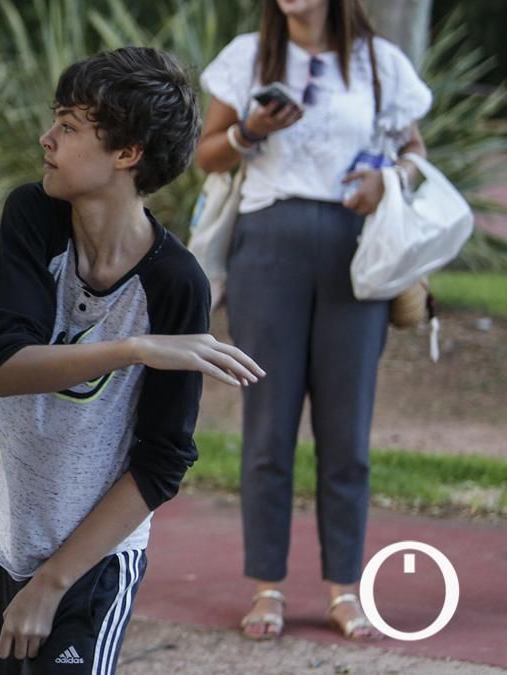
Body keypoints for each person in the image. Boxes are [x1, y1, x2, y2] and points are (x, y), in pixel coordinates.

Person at [0, 47, 265, 675]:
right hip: (12, 539)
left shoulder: (176, 284)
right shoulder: (33, 217)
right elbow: (5, 366)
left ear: (127, 153)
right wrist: (135, 348)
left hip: (95, 560)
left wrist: (54, 582)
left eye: (68, 127)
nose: (46, 138)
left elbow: (163, 462)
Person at [196, 0, 432, 642]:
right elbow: (207, 155)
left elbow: (415, 152)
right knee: (268, 427)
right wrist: (249, 130)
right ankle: (267, 587)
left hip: (356, 253)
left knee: (347, 431)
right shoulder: (249, 56)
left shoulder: (380, 63)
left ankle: (344, 588)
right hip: (267, 248)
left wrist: (390, 181)